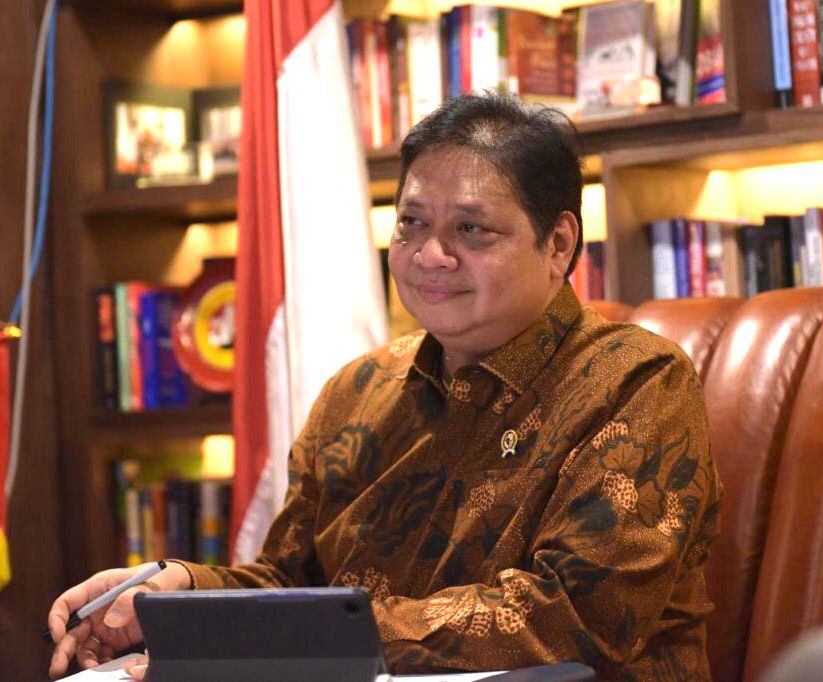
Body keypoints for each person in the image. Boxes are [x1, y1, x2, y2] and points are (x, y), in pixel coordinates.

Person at [47, 93, 722, 680]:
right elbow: (292, 581)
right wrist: (178, 597)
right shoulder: (359, 389)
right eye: (410, 223)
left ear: (558, 244)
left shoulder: (636, 382)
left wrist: (292, 639)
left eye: (470, 229)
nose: (430, 256)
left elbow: (570, 618)